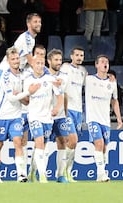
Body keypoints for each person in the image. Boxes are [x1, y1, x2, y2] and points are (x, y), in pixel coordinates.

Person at [0, 13, 42, 148]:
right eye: (35, 22)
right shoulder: (27, 38)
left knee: (3, 102)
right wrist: (42, 72)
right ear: (28, 24)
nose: (38, 24)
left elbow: (25, 62)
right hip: (8, 69)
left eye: (40, 22)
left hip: (14, 71)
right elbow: (29, 59)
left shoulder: (31, 39)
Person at [0, 47, 40, 183]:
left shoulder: (24, 74)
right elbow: (12, 98)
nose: (16, 61)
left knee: (18, 142)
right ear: (8, 60)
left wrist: (24, 94)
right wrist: (27, 92)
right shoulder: (5, 76)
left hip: (16, 116)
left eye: (17, 58)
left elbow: (25, 100)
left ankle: (21, 175)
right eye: (13, 59)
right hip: (2, 116)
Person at [24, 56, 63, 183]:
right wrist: (28, 93)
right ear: (32, 65)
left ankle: (32, 172)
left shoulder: (50, 79)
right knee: (39, 142)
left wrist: (57, 108)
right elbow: (25, 100)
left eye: (42, 63)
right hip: (34, 116)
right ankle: (43, 176)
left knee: (42, 146)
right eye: (37, 63)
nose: (40, 65)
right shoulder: (27, 80)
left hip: (47, 118)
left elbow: (59, 96)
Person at [85, 54, 123, 182]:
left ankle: (100, 174)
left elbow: (115, 101)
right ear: (96, 65)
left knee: (105, 147)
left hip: (105, 119)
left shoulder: (112, 82)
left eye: (106, 62)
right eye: (101, 61)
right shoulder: (89, 79)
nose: (105, 64)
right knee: (99, 143)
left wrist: (119, 118)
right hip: (93, 118)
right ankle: (101, 173)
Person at [60, 47, 87, 182]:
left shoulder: (83, 72)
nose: (79, 57)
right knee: (72, 140)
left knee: (73, 143)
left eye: (81, 55)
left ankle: (67, 172)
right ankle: (64, 172)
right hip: (67, 109)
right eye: (77, 55)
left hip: (78, 110)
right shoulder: (65, 67)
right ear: (71, 56)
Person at [44, 48, 71, 183]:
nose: (59, 62)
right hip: (45, 115)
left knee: (63, 142)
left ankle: (60, 175)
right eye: (56, 60)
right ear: (49, 61)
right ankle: (39, 173)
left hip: (60, 116)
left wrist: (65, 114)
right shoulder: (43, 76)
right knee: (42, 144)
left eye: (60, 60)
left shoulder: (64, 77)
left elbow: (65, 96)